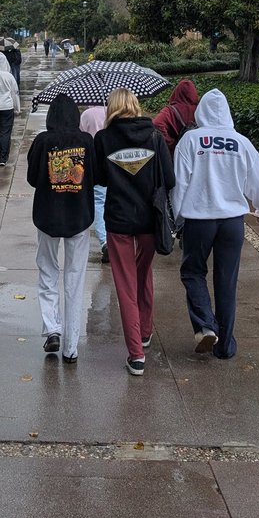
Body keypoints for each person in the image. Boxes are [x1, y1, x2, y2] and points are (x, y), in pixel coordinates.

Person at [170, 88, 259, 360]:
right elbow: (258, 179)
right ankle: (225, 346)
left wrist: (177, 218)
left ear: (201, 112)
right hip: (232, 222)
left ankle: (206, 325)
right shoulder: (241, 142)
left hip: (198, 220)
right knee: (227, 281)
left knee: (193, 272)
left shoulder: (190, 140)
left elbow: (179, 183)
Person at [93, 88, 174, 376]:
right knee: (144, 273)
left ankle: (136, 355)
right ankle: (145, 332)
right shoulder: (154, 135)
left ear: (112, 108)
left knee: (125, 285)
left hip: (119, 221)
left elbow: (99, 178)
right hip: (150, 220)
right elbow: (170, 178)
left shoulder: (103, 139)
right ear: (135, 105)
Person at [26, 94, 96, 364]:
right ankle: (71, 347)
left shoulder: (42, 141)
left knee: (48, 272)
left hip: (47, 216)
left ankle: (52, 328)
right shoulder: (86, 142)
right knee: (75, 280)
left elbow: (32, 178)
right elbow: (96, 176)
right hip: (79, 217)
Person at [78, 103, 108, 262]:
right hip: (112, 161)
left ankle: (105, 240)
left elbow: (81, 137)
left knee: (98, 201)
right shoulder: (112, 112)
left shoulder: (86, 115)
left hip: (93, 162)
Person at [152, 79, 199, 157]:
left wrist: (170, 143)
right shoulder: (200, 109)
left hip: (175, 153)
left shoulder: (170, 110)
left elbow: (157, 123)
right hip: (195, 151)